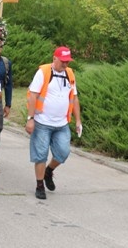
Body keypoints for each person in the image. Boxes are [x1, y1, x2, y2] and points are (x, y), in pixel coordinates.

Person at [25, 46, 82, 200]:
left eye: (67, 61)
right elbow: (33, 96)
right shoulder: (43, 72)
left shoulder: (69, 74)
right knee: (40, 155)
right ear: (54, 58)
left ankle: (48, 171)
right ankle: (39, 185)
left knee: (63, 153)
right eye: (63, 61)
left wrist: (78, 120)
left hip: (61, 123)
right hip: (42, 122)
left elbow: (74, 97)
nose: (65, 64)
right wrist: (30, 119)